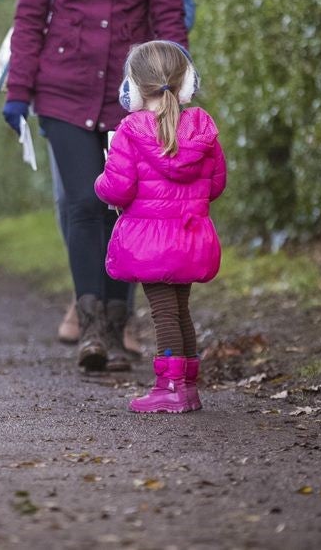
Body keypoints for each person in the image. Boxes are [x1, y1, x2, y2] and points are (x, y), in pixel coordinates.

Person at [1, 0, 189, 373]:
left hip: (129, 98)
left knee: (123, 206)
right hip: (62, 91)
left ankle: (115, 321)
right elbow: (30, 18)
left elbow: (169, 17)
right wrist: (19, 93)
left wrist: (170, 86)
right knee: (83, 204)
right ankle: (90, 331)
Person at [94, 41, 226, 413]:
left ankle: (168, 387)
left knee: (163, 313)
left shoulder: (130, 130)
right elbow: (216, 185)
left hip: (150, 244)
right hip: (191, 237)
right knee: (180, 309)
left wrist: (99, 182)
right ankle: (187, 387)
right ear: (187, 83)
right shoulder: (203, 129)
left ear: (132, 88)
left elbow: (118, 188)